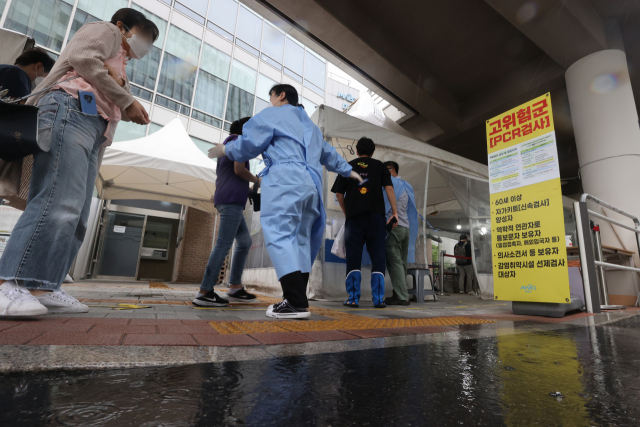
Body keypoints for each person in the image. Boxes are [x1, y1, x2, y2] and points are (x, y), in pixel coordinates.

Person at [0, 8, 158, 317]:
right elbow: (84, 58)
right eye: (146, 36)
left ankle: (43, 285)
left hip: (88, 126)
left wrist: (121, 97)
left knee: (77, 212)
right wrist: (127, 101)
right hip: (68, 109)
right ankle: (11, 283)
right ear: (124, 26)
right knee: (56, 201)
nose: (146, 46)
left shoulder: (120, 62)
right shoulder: (107, 31)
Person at [208, 84, 359, 319]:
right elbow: (329, 155)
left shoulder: (273, 114)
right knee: (302, 240)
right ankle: (297, 298)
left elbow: (249, 145)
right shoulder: (310, 126)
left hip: (284, 179)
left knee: (280, 235)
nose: (270, 101)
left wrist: (225, 149)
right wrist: (350, 171)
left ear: (281, 95)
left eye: (271, 96)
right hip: (311, 184)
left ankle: (295, 303)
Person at [193, 117, 259, 307]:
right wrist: (257, 181)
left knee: (244, 241)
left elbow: (230, 175)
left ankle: (235, 287)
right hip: (231, 201)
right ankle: (205, 291)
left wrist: (248, 190)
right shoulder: (240, 143)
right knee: (223, 244)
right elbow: (239, 170)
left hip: (228, 198)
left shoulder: (226, 146)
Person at [331, 138, 398, 308]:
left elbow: (339, 194)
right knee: (378, 256)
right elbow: (389, 188)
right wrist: (395, 213)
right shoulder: (380, 166)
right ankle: (378, 299)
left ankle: (353, 298)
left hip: (355, 219)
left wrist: (348, 214)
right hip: (376, 218)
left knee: (354, 256)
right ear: (373, 151)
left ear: (356, 150)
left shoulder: (347, 166)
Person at [383, 161, 419, 306]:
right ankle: (398, 293)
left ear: (391, 171)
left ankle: (402, 296)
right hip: (406, 228)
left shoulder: (390, 184)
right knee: (402, 263)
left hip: (394, 226)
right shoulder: (406, 185)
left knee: (394, 262)